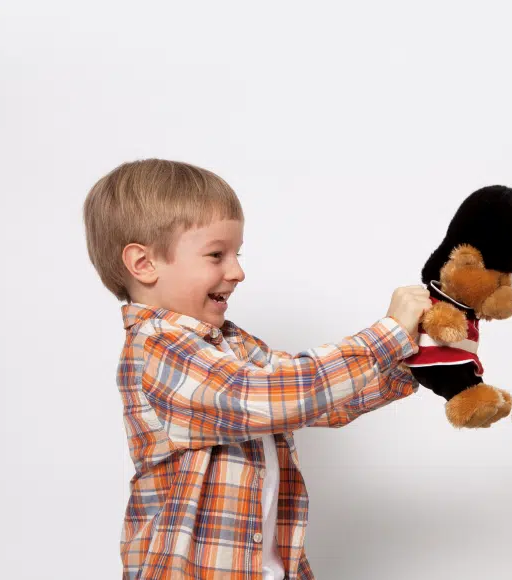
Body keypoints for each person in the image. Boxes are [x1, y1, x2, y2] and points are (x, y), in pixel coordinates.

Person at [83, 158, 432, 579]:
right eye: (216, 255)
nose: (237, 271)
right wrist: (386, 335)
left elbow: (316, 401)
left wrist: (417, 363)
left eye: (237, 253)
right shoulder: (157, 347)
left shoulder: (229, 342)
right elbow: (261, 397)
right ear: (144, 264)